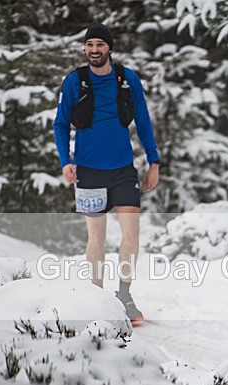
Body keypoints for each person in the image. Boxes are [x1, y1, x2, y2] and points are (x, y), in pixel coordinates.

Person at [54, 22, 160, 325]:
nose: (94, 50)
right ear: (85, 48)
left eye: (100, 45)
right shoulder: (75, 81)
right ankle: (97, 298)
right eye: (90, 45)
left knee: (131, 234)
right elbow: (60, 124)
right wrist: (66, 161)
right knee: (97, 238)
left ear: (109, 48)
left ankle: (124, 295)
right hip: (88, 171)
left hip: (123, 170)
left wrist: (154, 161)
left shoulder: (127, 79)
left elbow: (143, 121)